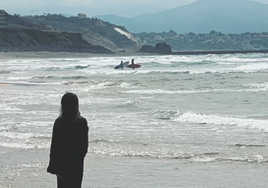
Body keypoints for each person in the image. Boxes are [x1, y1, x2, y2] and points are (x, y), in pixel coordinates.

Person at [47, 92, 89, 188]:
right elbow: (84, 147)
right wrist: (78, 160)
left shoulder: (59, 122)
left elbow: (54, 147)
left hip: (61, 166)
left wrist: (54, 167)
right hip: (76, 165)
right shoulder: (81, 122)